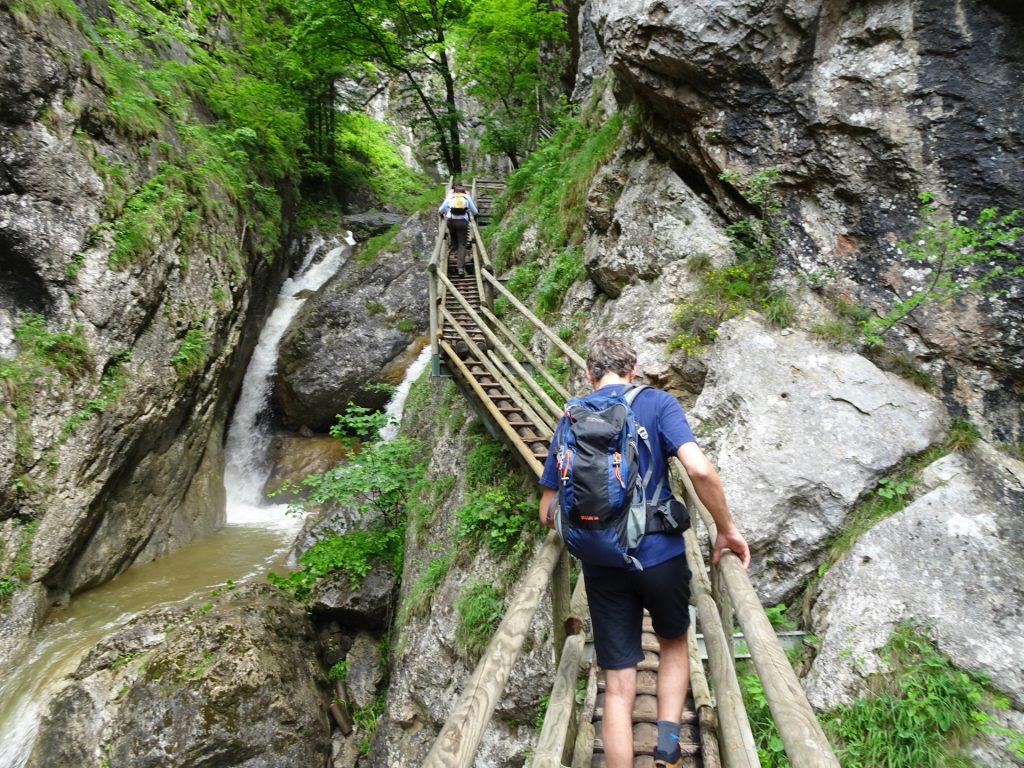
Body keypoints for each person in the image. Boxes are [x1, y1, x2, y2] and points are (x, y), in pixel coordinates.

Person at [538, 336, 750, 768]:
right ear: (633, 369)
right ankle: (667, 750)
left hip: (601, 563)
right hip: (660, 556)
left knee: (618, 683)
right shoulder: (658, 404)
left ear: (588, 373)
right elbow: (699, 469)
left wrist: (591, 531)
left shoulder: (571, 416)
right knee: (673, 641)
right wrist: (725, 529)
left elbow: (547, 510)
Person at [437, 182, 478, 277]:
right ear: (464, 191)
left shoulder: (450, 197)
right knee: (462, 244)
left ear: (454, 190)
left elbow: (441, 210)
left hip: (451, 221)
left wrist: (441, 214)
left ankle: (452, 250)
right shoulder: (466, 197)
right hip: (462, 222)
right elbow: (475, 211)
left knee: (454, 238)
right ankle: (460, 268)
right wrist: (474, 219)